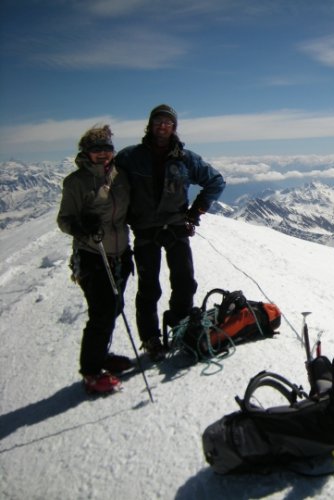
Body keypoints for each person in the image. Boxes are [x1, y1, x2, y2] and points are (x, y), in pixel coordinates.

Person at [115, 104, 226, 361]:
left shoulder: (186, 158)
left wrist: (195, 212)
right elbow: (109, 182)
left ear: (174, 127)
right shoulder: (130, 157)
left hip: (176, 227)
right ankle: (151, 339)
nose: (163, 126)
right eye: (158, 121)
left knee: (185, 283)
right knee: (149, 288)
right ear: (150, 125)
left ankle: (180, 327)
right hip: (145, 230)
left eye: (168, 122)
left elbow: (216, 181)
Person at [57, 124, 134, 394]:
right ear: (86, 153)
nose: (103, 154)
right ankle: (90, 371)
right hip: (93, 254)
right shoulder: (76, 182)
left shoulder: (120, 176)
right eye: (96, 150)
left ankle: (101, 356)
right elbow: (64, 220)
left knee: (114, 306)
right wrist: (82, 227)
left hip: (120, 253)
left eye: (107, 149)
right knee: (101, 312)